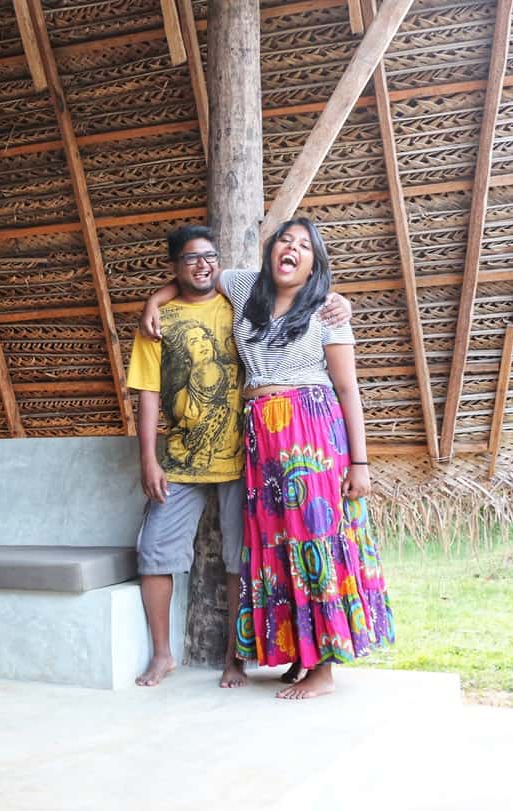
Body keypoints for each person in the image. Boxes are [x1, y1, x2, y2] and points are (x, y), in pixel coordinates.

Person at [140, 218, 394, 699]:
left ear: (315, 263)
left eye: (303, 246)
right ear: (271, 250)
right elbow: (194, 273)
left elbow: (347, 388)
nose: (291, 249)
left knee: (314, 541)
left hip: (310, 433)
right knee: (277, 550)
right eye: (285, 240)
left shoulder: (326, 310)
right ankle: (301, 655)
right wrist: (154, 301)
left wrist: (359, 463)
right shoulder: (243, 286)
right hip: (260, 437)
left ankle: (324, 670)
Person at [125, 224, 248, 688]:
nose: (204, 265)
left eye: (210, 256)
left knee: (239, 560)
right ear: (175, 267)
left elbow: (294, 288)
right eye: (192, 258)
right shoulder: (159, 322)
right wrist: (148, 460)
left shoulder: (240, 302)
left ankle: (235, 660)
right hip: (180, 459)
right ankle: (162, 655)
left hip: (241, 457)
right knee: (153, 552)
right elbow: (149, 395)